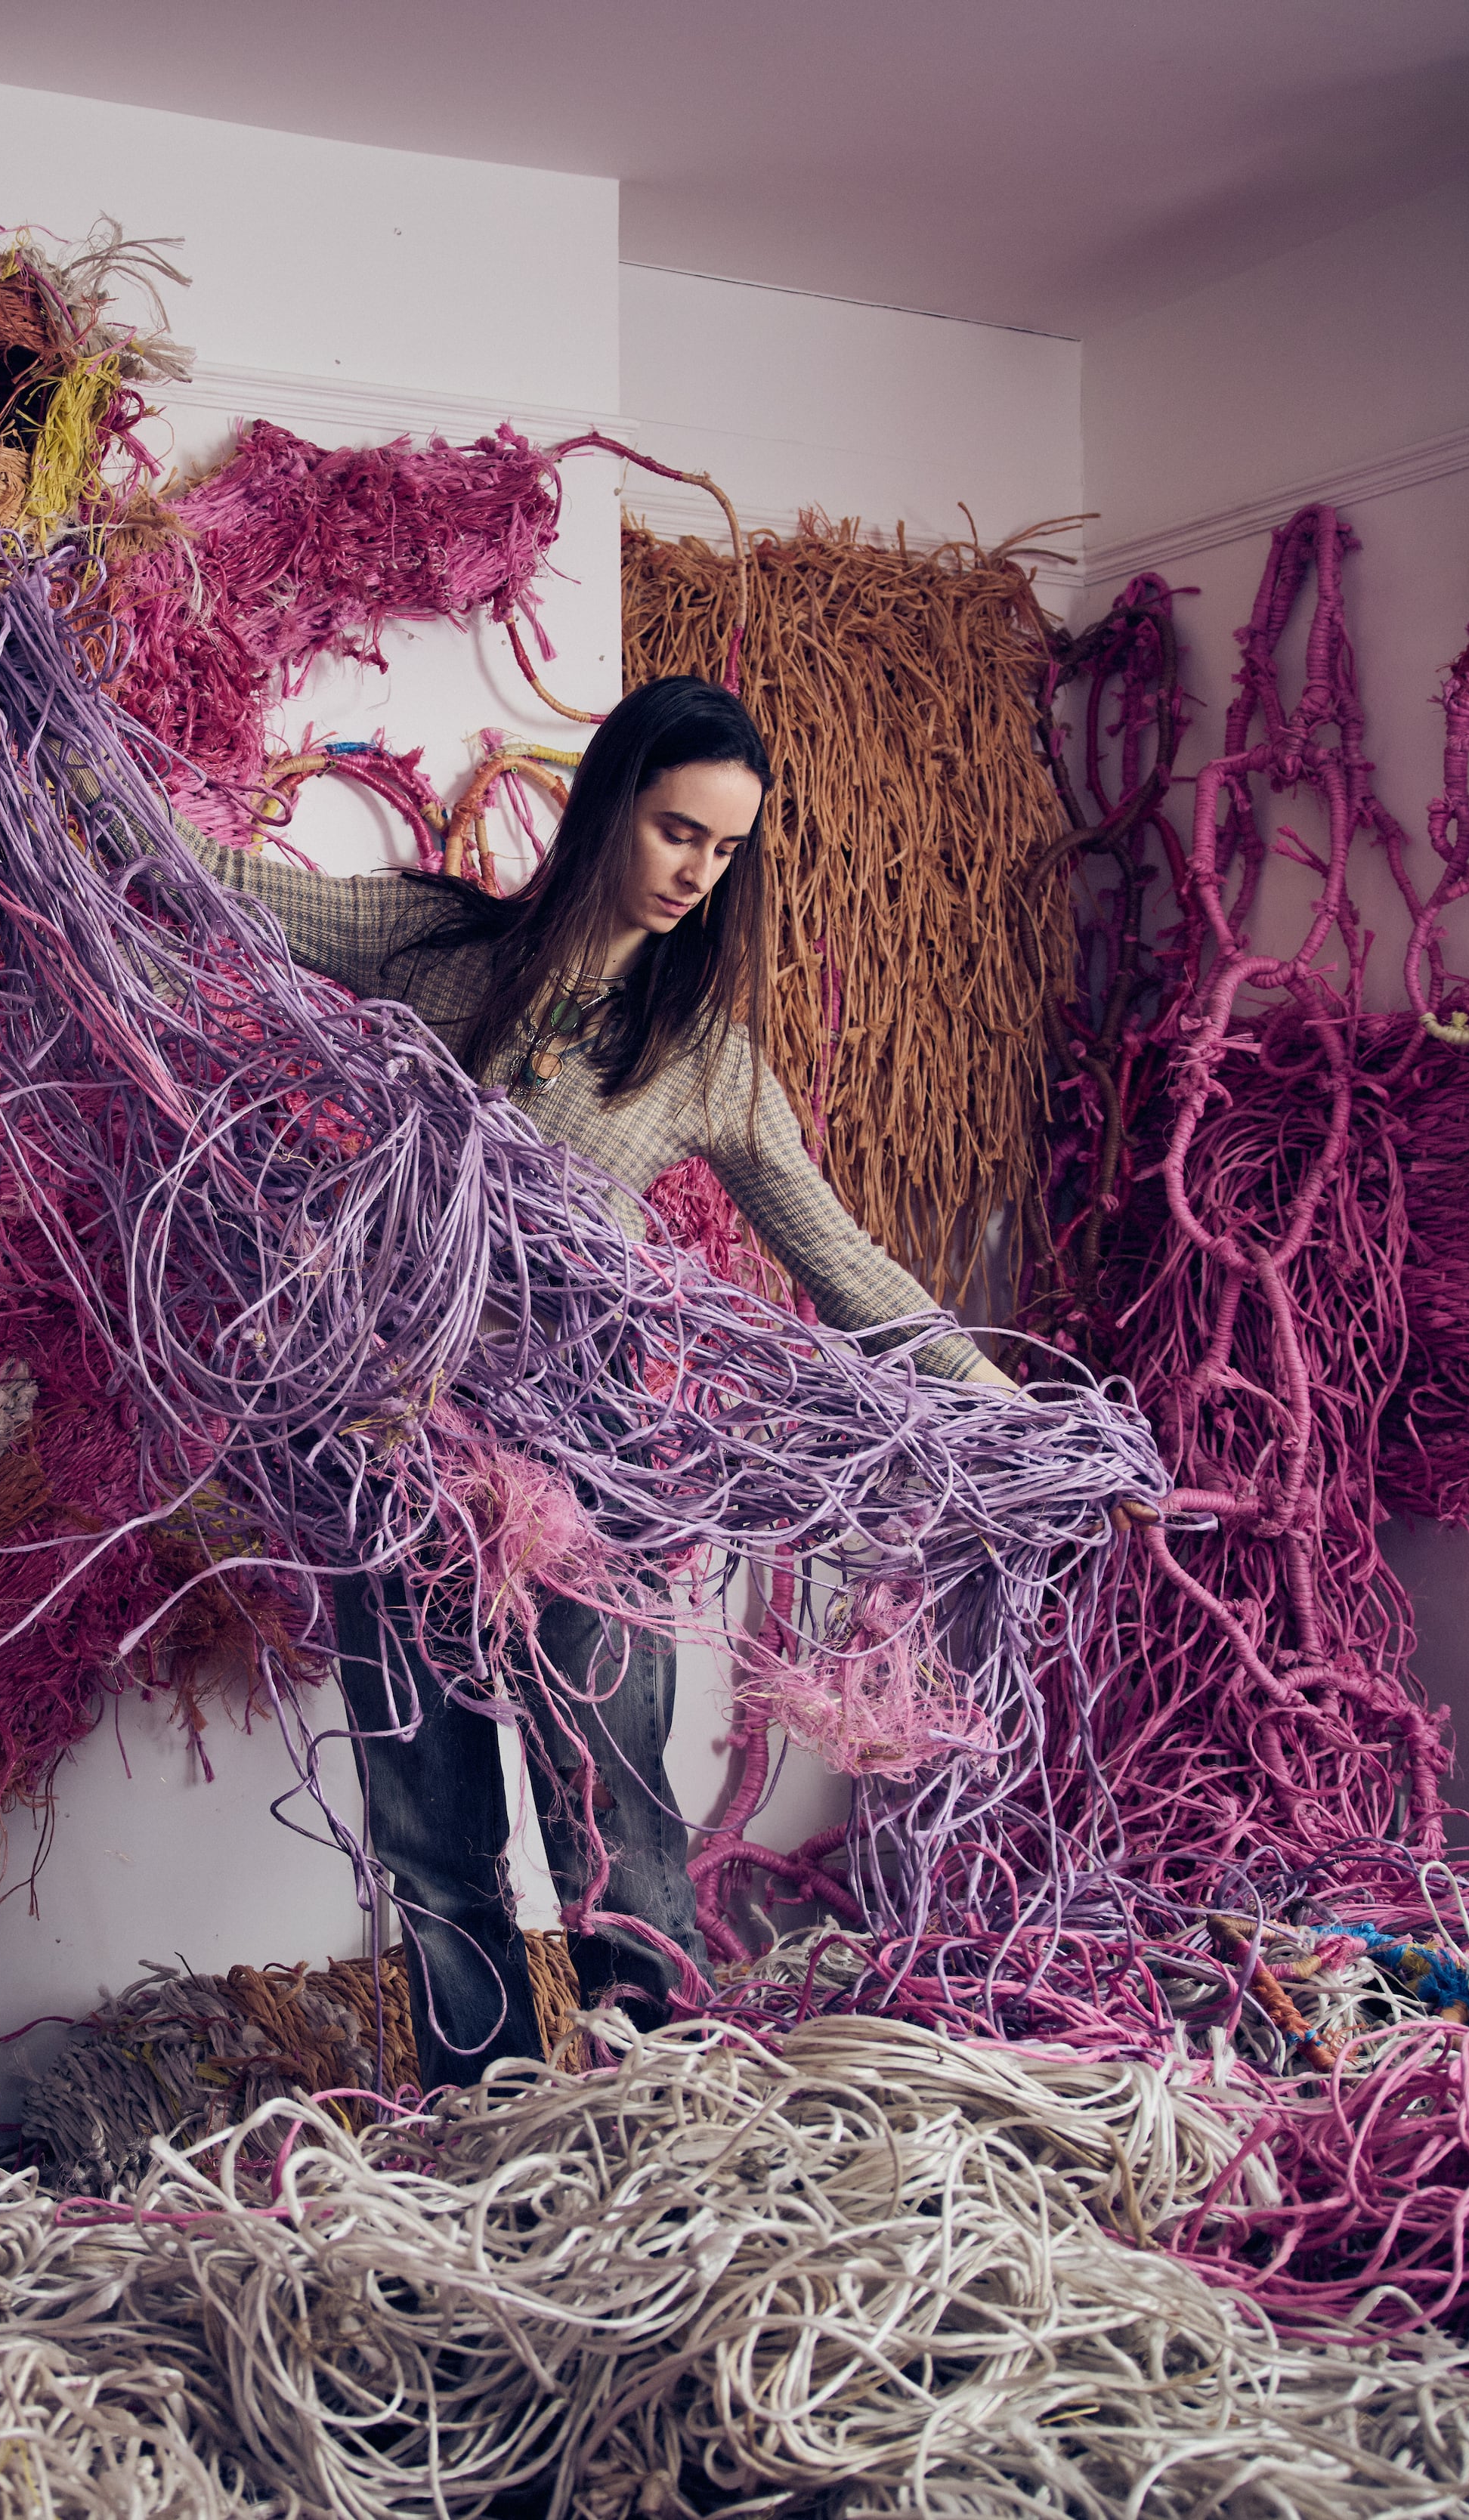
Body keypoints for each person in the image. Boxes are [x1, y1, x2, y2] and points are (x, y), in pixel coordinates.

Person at [203, 673, 1009, 2090]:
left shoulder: (700, 1060)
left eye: (726, 850)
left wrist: (1013, 1413)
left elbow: (844, 1263)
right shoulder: (429, 940)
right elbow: (205, 883)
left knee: (618, 1826)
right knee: (430, 1832)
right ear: (606, 812)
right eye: (676, 832)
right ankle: (481, 2122)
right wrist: (46, 756)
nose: (697, 874)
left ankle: (655, 2113)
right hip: (390, 1455)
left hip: (587, 1473)